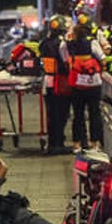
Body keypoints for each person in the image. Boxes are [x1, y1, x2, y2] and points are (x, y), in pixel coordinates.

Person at [64, 22, 105, 150]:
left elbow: (65, 59)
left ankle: (78, 143)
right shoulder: (92, 43)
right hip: (94, 84)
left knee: (78, 115)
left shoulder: (68, 45)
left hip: (77, 84)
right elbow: (103, 58)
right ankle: (94, 143)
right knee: (94, 113)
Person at [39, 15, 72, 155]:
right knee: (61, 113)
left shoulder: (44, 42)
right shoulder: (61, 43)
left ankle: (54, 142)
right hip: (60, 81)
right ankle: (57, 144)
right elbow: (65, 63)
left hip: (48, 81)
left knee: (52, 114)